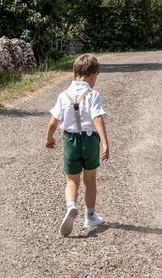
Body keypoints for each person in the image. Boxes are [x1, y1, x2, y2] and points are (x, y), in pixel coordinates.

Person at [46, 54, 110, 237]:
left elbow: (53, 122)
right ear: (93, 76)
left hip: (70, 140)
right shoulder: (93, 94)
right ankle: (89, 216)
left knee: (71, 179)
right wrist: (105, 142)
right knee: (90, 180)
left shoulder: (63, 95)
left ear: (75, 74)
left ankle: (71, 206)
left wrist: (49, 138)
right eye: (95, 78)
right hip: (89, 140)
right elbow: (97, 118)